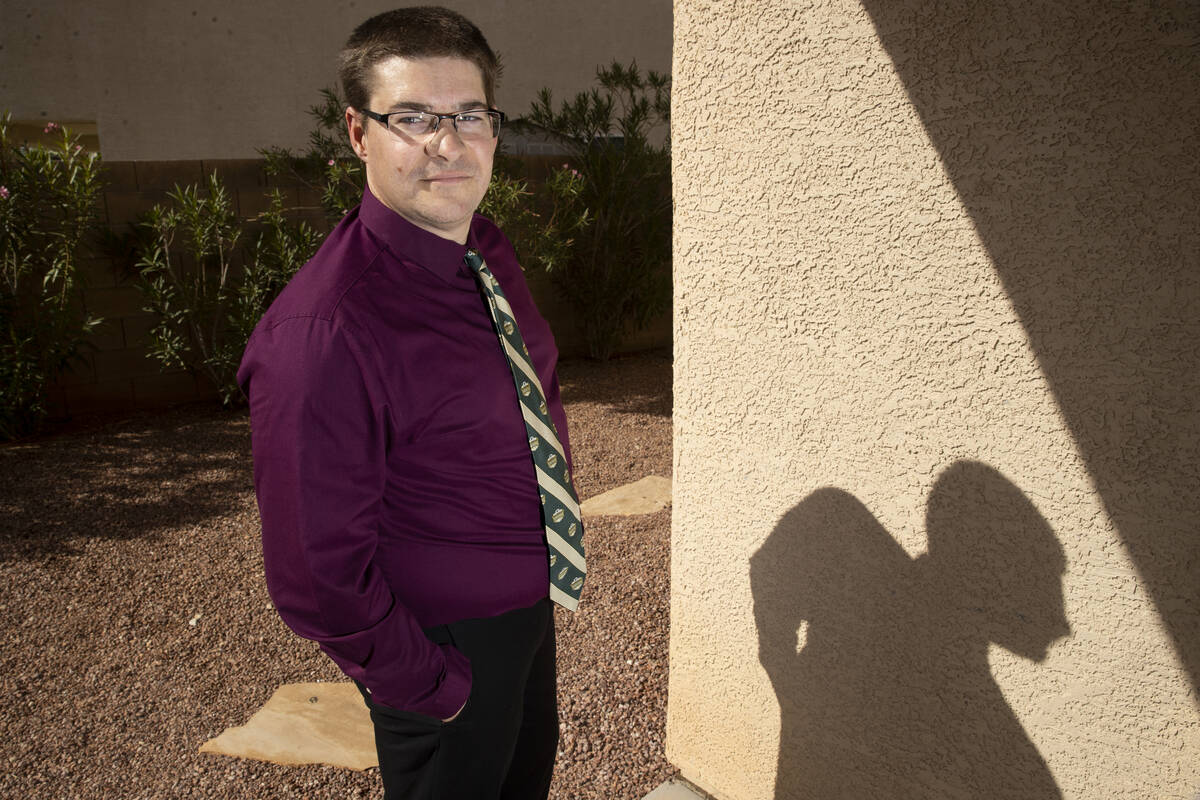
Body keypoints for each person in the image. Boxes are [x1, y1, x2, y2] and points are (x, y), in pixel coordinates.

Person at [236, 7, 585, 798]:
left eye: (468, 115)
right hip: (442, 647)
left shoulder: (484, 249)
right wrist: (437, 688)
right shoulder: (323, 333)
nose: (448, 143)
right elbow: (314, 575)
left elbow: (533, 396)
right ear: (359, 134)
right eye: (414, 118)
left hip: (526, 609)